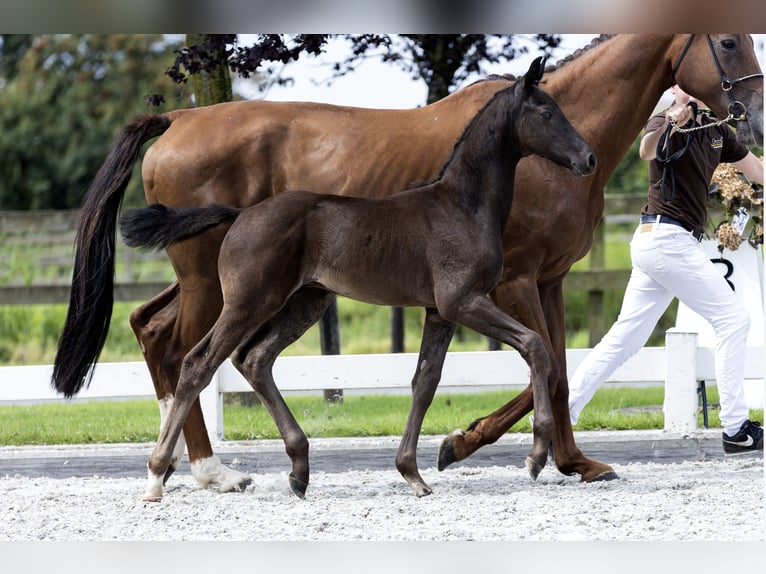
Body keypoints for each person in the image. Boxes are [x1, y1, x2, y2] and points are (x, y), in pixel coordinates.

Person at [567, 85, 763, 453]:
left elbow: (756, 170)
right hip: (664, 239)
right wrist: (671, 119)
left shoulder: (718, 128)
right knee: (734, 320)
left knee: (625, 338)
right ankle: (736, 429)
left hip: (663, 244)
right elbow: (646, 150)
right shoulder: (666, 117)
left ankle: (562, 414)